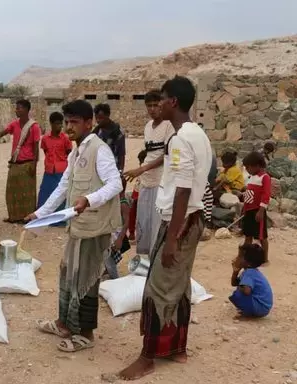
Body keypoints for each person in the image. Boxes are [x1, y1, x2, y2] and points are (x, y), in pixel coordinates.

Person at [119, 76, 212, 380]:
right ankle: (176, 348)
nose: (157, 103)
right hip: (190, 218)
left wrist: (171, 238)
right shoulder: (198, 133)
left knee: (157, 287)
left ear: (173, 102)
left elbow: (183, 190)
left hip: (181, 221)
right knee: (179, 284)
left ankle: (148, 358)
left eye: (161, 98)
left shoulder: (182, 138)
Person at [25, 100, 122, 353]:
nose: (69, 127)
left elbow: (116, 184)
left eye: (74, 122)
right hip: (78, 226)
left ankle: (86, 334)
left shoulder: (99, 150)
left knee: (86, 278)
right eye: (67, 122)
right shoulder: (75, 152)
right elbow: (63, 188)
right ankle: (64, 323)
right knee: (68, 272)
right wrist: (40, 212)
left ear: (89, 123)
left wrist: (89, 199)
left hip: (95, 226)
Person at [124, 90, 175, 256]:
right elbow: (149, 152)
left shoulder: (168, 126)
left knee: (156, 223)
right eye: (149, 106)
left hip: (160, 180)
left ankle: (156, 259)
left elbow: (165, 155)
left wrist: (141, 169)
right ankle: (143, 260)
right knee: (143, 221)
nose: (153, 109)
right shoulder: (147, 127)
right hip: (145, 181)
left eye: (156, 105)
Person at [0, 99, 42, 223]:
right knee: (12, 191)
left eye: (19, 108)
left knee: (27, 193)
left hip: (27, 163)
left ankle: (27, 217)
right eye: (16, 108)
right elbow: (1, 133)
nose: (16, 110)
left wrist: (34, 165)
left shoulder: (34, 127)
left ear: (26, 110)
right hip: (15, 163)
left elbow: (36, 148)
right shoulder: (14, 124)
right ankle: (14, 216)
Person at [38, 112, 72, 227]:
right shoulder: (45, 139)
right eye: (56, 124)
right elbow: (46, 151)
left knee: (60, 195)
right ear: (51, 124)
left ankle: (60, 220)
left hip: (61, 170)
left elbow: (69, 153)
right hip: (49, 169)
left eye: (60, 124)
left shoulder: (65, 139)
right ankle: (42, 218)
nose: (59, 127)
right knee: (45, 192)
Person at [241, 151, 271, 263]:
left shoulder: (265, 177)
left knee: (261, 236)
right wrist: (244, 208)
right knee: (248, 234)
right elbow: (249, 194)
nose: (247, 170)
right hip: (249, 210)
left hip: (257, 211)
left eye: (248, 167)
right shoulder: (251, 177)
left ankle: (265, 258)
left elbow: (266, 195)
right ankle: (246, 256)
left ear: (257, 166)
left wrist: (261, 210)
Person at [229, 243, 273, 318]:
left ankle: (249, 312)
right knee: (239, 290)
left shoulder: (249, 273)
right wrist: (235, 272)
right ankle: (250, 309)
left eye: (239, 256)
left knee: (237, 295)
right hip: (264, 307)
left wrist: (240, 287)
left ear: (248, 263)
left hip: (261, 307)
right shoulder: (251, 271)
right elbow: (234, 283)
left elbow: (247, 291)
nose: (236, 258)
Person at [104, 176, 132, 280]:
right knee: (106, 255)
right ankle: (106, 272)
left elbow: (126, 223)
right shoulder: (114, 201)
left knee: (109, 257)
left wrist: (120, 239)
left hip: (116, 236)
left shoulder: (123, 203)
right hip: (111, 232)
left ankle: (115, 278)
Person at [93, 103, 126, 171]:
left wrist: (120, 171)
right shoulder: (97, 131)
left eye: (101, 118)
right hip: (99, 168)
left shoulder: (117, 132)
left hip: (112, 169)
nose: (98, 121)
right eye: (96, 118)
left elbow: (121, 154)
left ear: (107, 115)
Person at [128, 150, 146, 242]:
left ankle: (132, 233)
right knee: (134, 212)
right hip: (138, 192)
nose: (140, 164)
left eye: (141, 161)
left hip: (139, 193)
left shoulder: (143, 169)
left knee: (134, 212)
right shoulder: (142, 170)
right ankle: (132, 232)